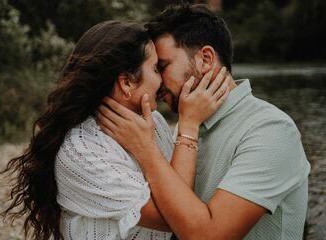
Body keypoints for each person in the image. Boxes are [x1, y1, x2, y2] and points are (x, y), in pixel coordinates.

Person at [98, 4, 311, 240]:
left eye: (163, 67)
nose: (156, 84)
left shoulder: (271, 130)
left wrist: (146, 150)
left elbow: (208, 236)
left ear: (206, 58)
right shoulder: (188, 125)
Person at [1, 20, 230, 240]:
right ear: (127, 82)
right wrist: (188, 126)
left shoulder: (155, 122)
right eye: (155, 69)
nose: (162, 81)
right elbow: (178, 219)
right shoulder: (81, 151)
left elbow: (179, 195)